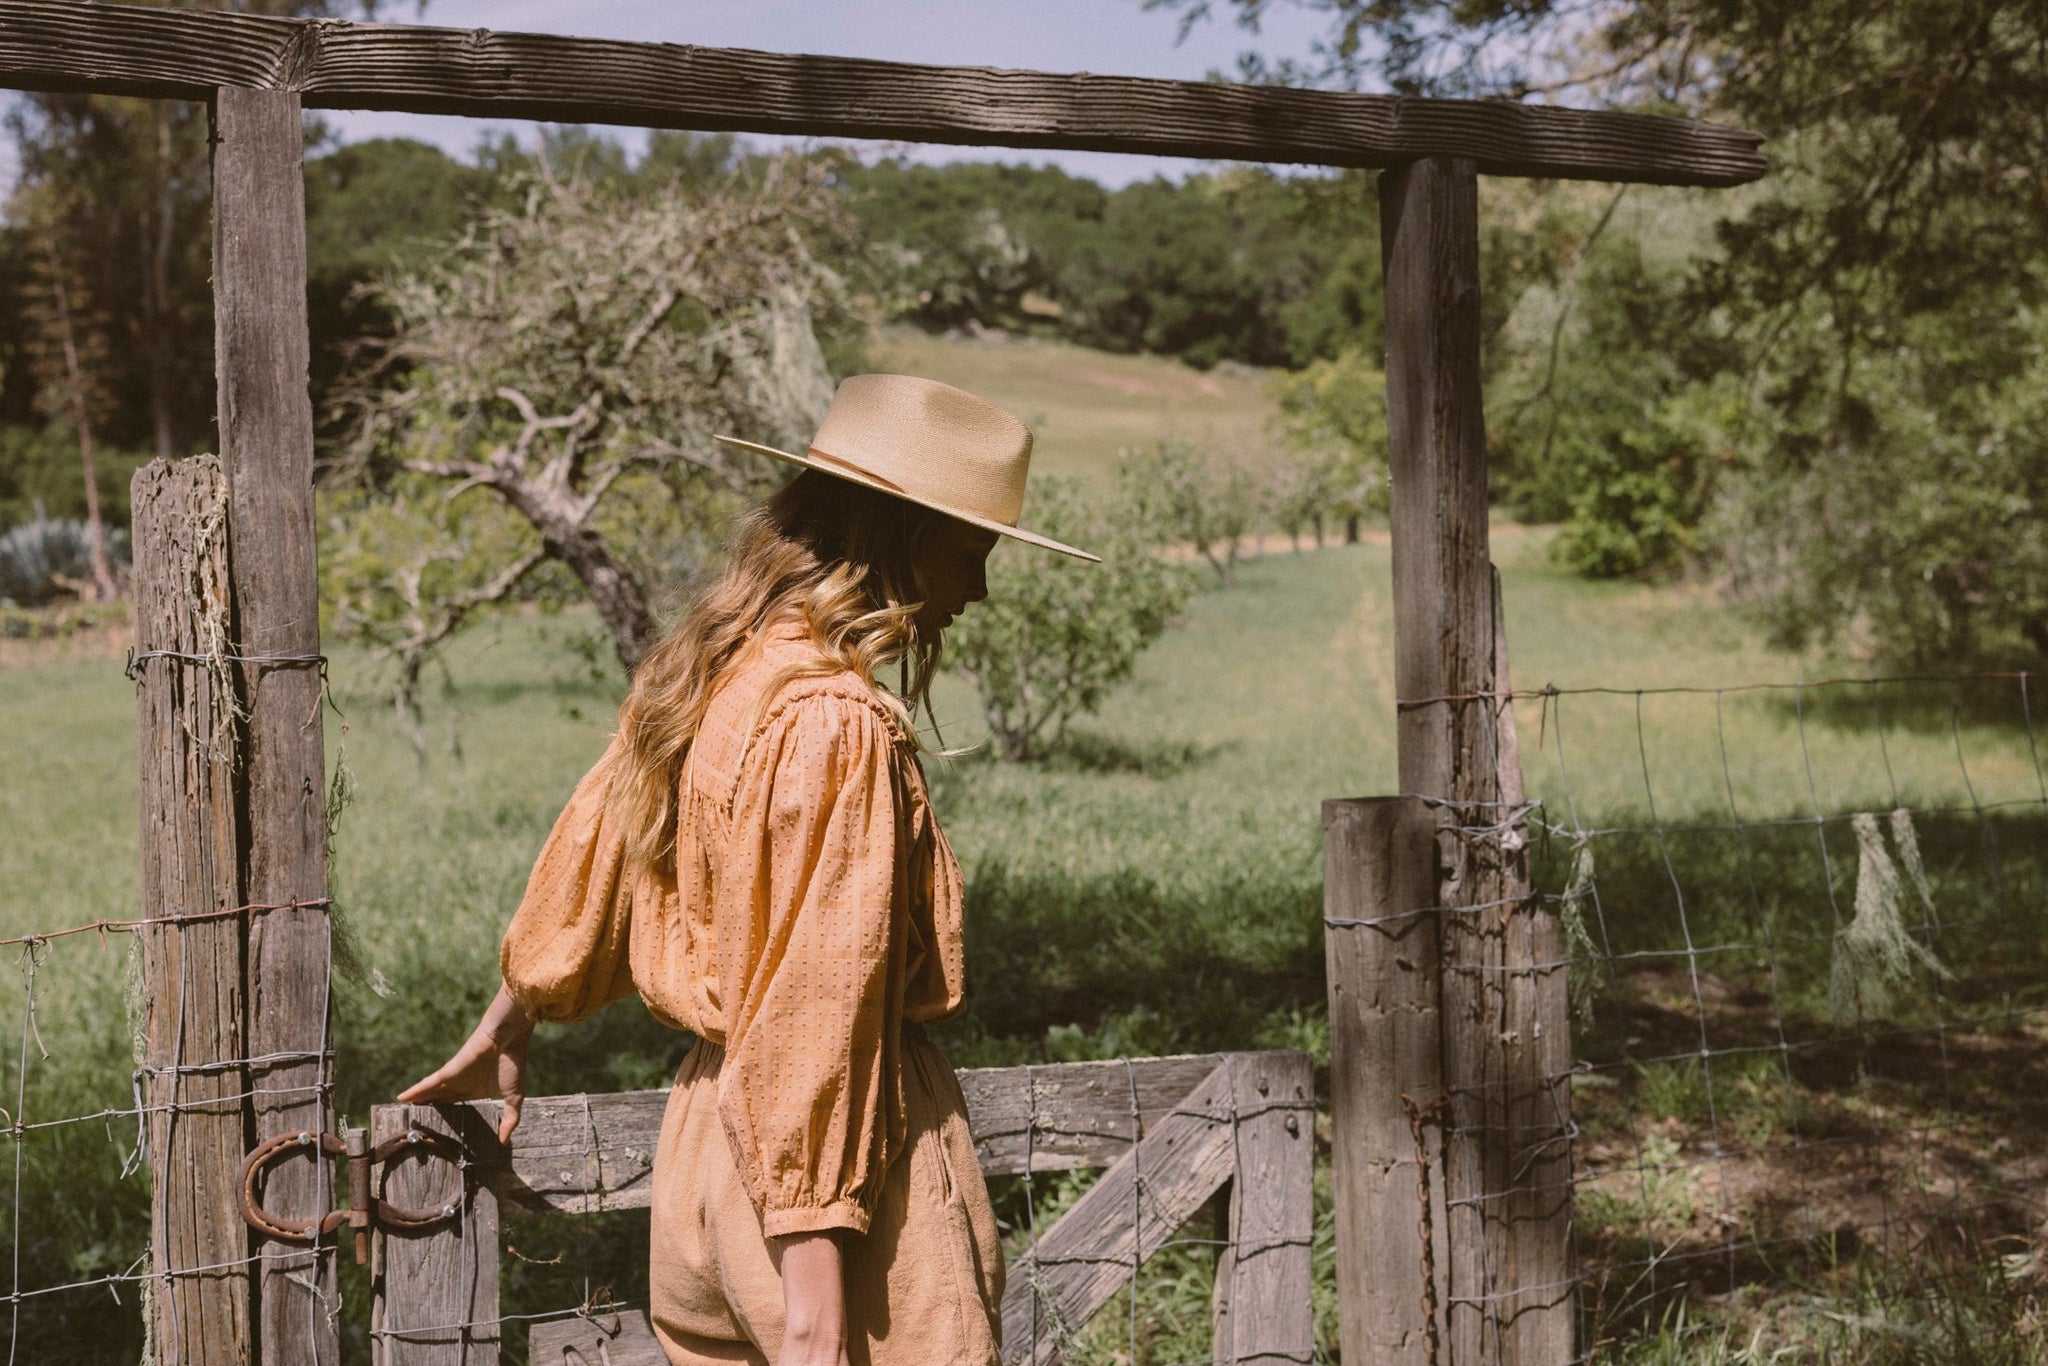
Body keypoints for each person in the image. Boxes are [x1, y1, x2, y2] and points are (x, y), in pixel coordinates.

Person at [399, 374, 1096, 1366]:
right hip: (834, 1208)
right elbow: (811, 1011)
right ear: (895, 540)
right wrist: (815, 1311)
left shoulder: (715, 670)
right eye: (969, 552)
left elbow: (598, 848)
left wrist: (509, 1017)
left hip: (707, 1162)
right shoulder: (834, 724)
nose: (976, 590)